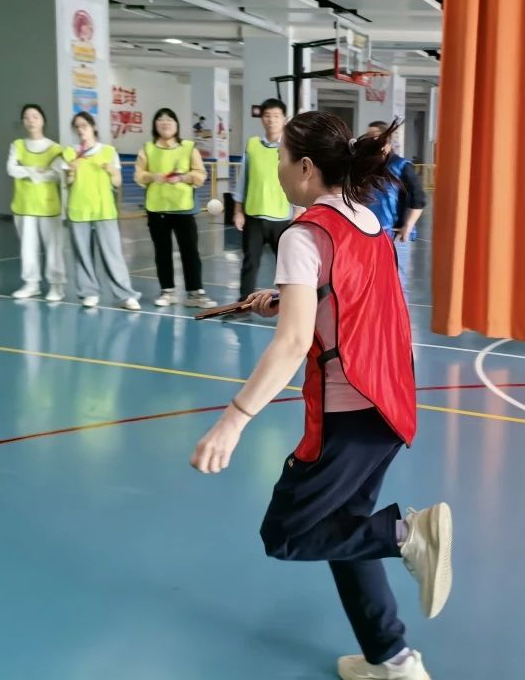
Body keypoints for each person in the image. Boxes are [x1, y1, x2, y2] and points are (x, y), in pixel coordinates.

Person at [191, 112, 452, 680]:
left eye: (282, 159)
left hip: (349, 415)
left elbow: (291, 347)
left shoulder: (303, 234)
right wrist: (290, 297)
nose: (278, 170)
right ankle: (392, 659)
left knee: (288, 533)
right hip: (388, 404)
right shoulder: (365, 216)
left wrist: (233, 420)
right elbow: (352, 299)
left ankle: (407, 535)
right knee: (343, 529)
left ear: (306, 167)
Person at [133, 107, 217, 309]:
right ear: (155, 125)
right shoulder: (147, 148)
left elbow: (200, 174)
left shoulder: (188, 147)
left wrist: (183, 177)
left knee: (190, 251)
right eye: (160, 119)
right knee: (162, 252)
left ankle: (195, 293)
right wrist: (153, 176)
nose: (165, 123)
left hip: (183, 208)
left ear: (177, 125)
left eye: (169, 119)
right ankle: (167, 291)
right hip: (157, 209)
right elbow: (139, 175)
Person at [63, 111, 141, 310]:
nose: (81, 130)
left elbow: (117, 182)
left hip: (104, 210)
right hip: (79, 210)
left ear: (93, 127)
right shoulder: (70, 153)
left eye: (84, 126)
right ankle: (89, 293)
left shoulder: (108, 151)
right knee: (82, 255)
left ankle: (125, 295)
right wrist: (71, 171)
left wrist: (113, 171)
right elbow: (68, 183)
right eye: (77, 127)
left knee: (113, 254)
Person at [233, 97, 300, 301]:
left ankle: (293, 305)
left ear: (284, 119)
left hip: (282, 218)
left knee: (288, 267)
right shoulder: (252, 145)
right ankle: (243, 306)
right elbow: (243, 180)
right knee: (250, 263)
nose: (271, 120)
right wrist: (238, 210)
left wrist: (298, 211)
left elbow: (298, 180)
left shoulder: (292, 148)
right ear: (262, 118)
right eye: (267, 115)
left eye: (276, 116)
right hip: (254, 216)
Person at [7, 104, 66, 301]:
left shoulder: (54, 148)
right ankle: (31, 284)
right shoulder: (17, 145)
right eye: (26, 117)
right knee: (27, 247)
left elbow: (56, 174)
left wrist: (26, 170)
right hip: (24, 204)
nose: (31, 120)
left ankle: (57, 285)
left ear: (43, 120)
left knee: (53, 247)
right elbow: (11, 169)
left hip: (48, 205)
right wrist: (35, 171)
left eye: (35, 116)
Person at [365, 120, 426, 289]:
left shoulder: (402, 166)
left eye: (374, 136)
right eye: (368, 136)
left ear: (387, 139)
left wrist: (408, 225)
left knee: (396, 282)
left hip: (394, 234)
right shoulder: (368, 166)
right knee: (371, 282)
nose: (370, 140)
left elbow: (419, 197)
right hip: (369, 233)